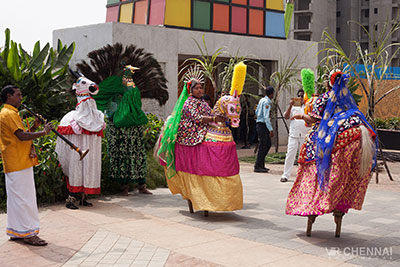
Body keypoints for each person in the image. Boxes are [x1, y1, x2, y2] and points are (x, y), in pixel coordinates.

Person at [285, 70, 376, 236]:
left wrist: (300, 116)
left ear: (329, 83)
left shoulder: (325, 98)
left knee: (309, 150)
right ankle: (339, 208)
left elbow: (313, 120)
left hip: (327, 135)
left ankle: (312, 204)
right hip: (356, 131)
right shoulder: (348, 99)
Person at [0, 85, 52, 246]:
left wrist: (35, 127)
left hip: (17, 161)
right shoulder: (8, 113)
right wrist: (43, 132)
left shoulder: (9, 112)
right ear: (9, 96)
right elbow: (22, 136)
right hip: (18, 161)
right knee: (25, 199)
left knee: (17, 199)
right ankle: (29, 234)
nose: (20, 98)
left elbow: (18, 135)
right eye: (18, 95)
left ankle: (16, 231)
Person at [55, 74, 106, 209]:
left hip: (89, 140)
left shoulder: (94, 113)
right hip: (78, 143)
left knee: (91, 162)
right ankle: (71, 198)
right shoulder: (74, 119)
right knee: (76, 163)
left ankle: (84, 196)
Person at [280, 89, 310, 182]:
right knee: (290, 154)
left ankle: (304, 175)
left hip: (304, 135)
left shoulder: (308, 106)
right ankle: (285, 175)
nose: (300, 98)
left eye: (302, 96)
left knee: (304, 156)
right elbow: (286, 116)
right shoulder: (293, 107)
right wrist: (290, 106)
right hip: (294, 135)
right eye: (299, 96)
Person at [254, 86, 275, 173]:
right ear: (271, 94)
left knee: (267, 144)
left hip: (260, 124)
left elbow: (256, 111)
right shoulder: (266, 102)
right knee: (263, 146)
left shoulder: (262, 100)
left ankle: (261, 164)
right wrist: (270, 129)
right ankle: (258, 165)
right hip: (263, 125)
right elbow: (266, 117)